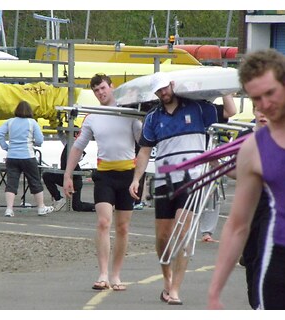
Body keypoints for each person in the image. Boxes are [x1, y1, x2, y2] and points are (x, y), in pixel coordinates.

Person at [207, 47, 285, 310]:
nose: (264, 105)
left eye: (270, 93)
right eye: (256, 99)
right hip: (283, 269)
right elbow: (238, 225)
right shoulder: (253, 149)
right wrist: (215, 290)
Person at [129, 71, 236, 305]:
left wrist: (226, 86)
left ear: (172, 85)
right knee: (163, 238)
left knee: (182, 232)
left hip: (192, 178)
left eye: (165, 88)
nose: (163, 93)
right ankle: (167, 280)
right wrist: (136, 178)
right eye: (158, 91)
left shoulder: (198, 108)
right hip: (164, 180)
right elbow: (145, 151)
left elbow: (230, 112)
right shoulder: (153, 117)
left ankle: (176, 289)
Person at [63, 73, 142, 291]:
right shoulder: (93, 116)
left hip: (127, 175)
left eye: (103, 88)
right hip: (104, 175)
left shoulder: (128, 112)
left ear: (111, 87)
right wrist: (67, 175)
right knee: (103, 222)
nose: (101, 93)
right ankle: (103, 274)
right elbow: (78, 147)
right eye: (96, 90)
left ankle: (116, 274)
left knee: (123, 227)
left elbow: (143, 141)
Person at [226, 105, 270, 309]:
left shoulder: (281, 136)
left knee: (264, 255)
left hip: (272, 204)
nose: (263, 114)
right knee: (251, 257)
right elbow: (234, 171)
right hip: (249, 205)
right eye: (259, 110)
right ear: (254, 111)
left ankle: (263, 303)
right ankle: (255, 302)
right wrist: (219, 165)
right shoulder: (244, 137)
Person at [0, 101, 54, 217]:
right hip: (28, 156)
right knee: (35, 181)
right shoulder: (32, 122)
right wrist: (35, 143)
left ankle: (9, 209)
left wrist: (6, 147)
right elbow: (39, 139)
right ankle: (41, 207)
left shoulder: (10, 122)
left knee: (11, 183)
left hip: (12, 156)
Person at [42, 131, 95, 212]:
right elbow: (61, 135)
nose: (67, 135)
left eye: (69, 133)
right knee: (47, 175)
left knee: (77, 206)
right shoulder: (68, 143)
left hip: (75, 179)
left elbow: (79, 157)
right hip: (64, 176)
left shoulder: (78, 145)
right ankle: (59, 199)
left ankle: (97, 206)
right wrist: (60, 124)